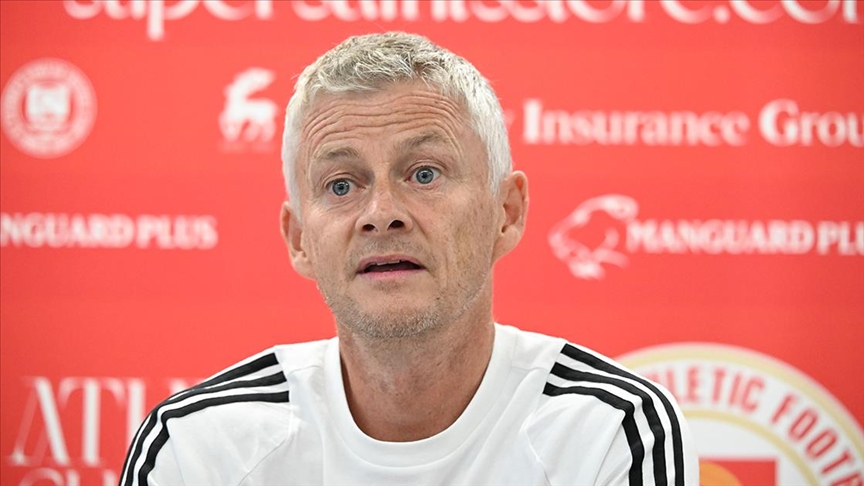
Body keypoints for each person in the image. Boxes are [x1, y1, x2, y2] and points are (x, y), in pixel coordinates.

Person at [120, 32, 698, 486]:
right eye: (341, 185)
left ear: (506, 212)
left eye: (424, 174)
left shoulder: (611, 429)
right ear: (299, 239)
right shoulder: (197, 444)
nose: (381, 214)